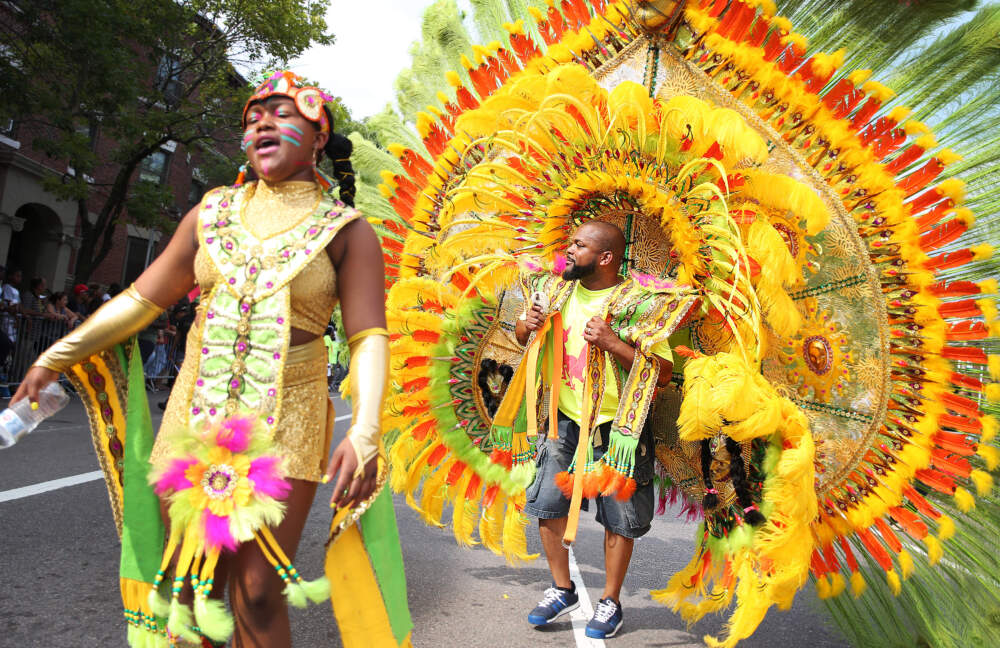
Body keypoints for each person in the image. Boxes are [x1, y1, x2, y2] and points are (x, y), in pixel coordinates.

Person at [14, 71, 405, 648]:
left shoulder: (346, 230)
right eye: (253, 117)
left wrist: (367, 429)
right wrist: (58, 353)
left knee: (257, 590)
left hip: (288, 417)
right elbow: (141, 299)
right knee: (186, 583)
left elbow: (368, 336)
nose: (262, 123)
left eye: (283, 113)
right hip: (194, 414)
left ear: (319, 136)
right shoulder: (210, 213)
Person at [514, 221, 680, 640]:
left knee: (618, 519)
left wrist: (614, 343)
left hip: (618, 426)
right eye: (570, 242)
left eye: (579, 245)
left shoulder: (639, 304)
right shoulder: (556, 291)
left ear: (605, 258)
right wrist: (527, 325)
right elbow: (520, 338)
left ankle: (610, 600)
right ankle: (562, 589)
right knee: (546, 504)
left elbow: (662, 373)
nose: (568, 251)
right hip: (562, 419)